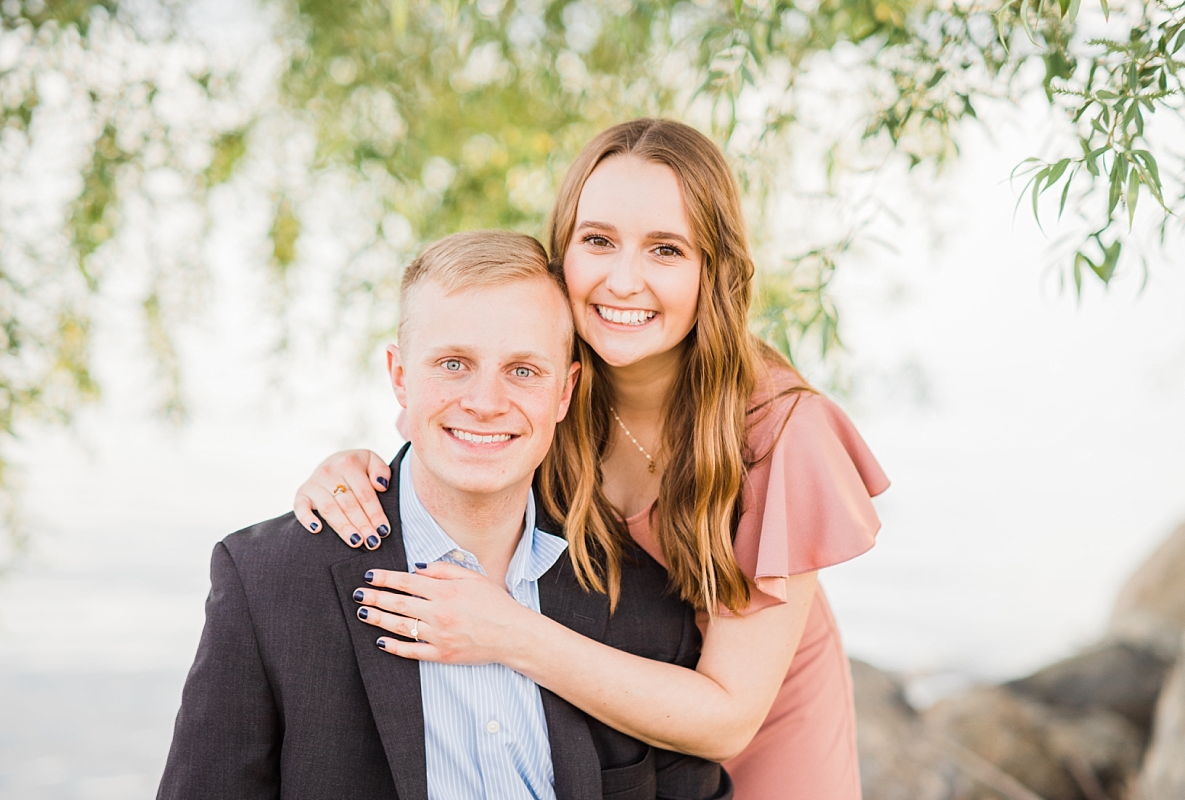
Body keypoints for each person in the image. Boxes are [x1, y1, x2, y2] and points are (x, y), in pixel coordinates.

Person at [293, 120, 890, 800]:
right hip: (616, 722)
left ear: (711, 269)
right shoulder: (551, 378)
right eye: (598, 241)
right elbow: (448, 434)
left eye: (666, 250)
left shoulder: (780, 430)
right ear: (564, 251)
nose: (623, 281)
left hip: (764, 727)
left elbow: (728, 719)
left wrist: (508, 634)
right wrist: (352, 472)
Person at [158, 230, 732, 800]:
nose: (485, 402)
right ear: (400, 376)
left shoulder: (641, 597)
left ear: (565, 391)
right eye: (454, 364)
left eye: (523, 371)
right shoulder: (268, 583)